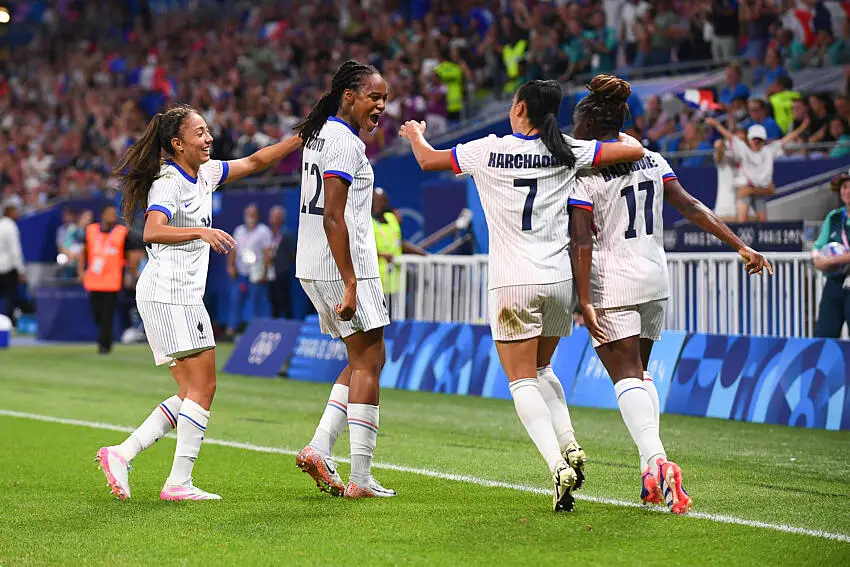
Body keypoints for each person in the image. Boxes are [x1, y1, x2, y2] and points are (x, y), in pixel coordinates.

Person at [399, 78, 646, 512]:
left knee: (521, 380)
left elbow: (426, 160)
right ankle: (569, 443)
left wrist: (415, 133)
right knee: (543, 366)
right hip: (558, 282)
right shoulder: (567, 149)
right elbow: (634, 151)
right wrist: (616, 116)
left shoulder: (487, 149)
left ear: (517, 109)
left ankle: (557, 465)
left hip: (513, 282)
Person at [568, 75, 773, 515]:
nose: (573, 129)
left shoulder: (584, 170)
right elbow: (691, 205)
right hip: (655, 279)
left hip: (612, 280)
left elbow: (582, 241)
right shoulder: (651, 158)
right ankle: (649, 470)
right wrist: (740, 244)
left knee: (625, 376)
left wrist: (582, 297)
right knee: (640, 374)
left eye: (577, 121)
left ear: (590, 125)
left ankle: (658, 460)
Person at [95, 103, 301, 502]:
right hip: (171, 294)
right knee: (204, 386)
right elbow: (153, 231)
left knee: (193, 391)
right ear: (177, 143)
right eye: (200, 133)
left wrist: (301, 137)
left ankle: (123, 453)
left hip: (173, 295)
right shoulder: (168, 181)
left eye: (208, 131)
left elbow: (256, 160)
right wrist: (199, 233)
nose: (209, 138)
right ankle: (178, 482)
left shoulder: (204, 172)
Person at [294, 61, 396, 499]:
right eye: (374, 97)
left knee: (365, 359)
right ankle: (360, 477)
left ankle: (320, 446)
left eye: (385, 100)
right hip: (341, 265)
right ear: (349, 96)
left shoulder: (319, 136)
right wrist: (351, 281)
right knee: (369, 361)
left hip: (316, 263)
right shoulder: (344, 143)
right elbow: (334, 216)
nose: (380, 107)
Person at [706, 117, 810, 222]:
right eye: (754, 139)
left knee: (763, 219)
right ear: (749, 139)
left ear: (764, 140)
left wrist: (802, 127)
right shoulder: (744, 149)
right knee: (742, 218)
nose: (756, 142)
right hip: (747, 187)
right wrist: (717, 125)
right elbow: (730, 137)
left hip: (759, 189)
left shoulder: (768, 150)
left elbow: (786, 140)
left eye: (759, 140)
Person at [79, 203, 129, 354]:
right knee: (96, 314)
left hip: (112, 281)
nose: (112, 217)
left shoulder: (122, 232)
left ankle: (104, 345)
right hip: (93, 280)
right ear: (102, 215)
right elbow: (83, 252)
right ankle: (106, 335)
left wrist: (129, 273)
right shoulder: (90, 230)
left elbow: (129, 254)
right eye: (109, 213)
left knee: (107, 315)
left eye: (114, 214)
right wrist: (81, 270)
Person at [371, 186, 427, 316]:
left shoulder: (391, 218)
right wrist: (380, 254)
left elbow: (399, 243)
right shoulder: (366, 221)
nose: (377, 204)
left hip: (396, 280)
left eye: (381, 200)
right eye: (374, 200)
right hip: (377, 280)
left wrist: (423, 254)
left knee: (399, 317)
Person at [226, 203, 274, 337]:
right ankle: (231, 330)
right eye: (248, 214)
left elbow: (267, 254)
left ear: (257, 216)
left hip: (256, 274)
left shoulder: (263, 231)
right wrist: (230, 266)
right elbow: (233, 251)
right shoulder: (239, 230)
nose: (250, 217)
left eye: (253, 215)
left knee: (256, 304)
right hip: (241, 273)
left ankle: (256, 331)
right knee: (235, 300)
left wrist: (265, 273)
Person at [811, 174, 850, 337]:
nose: (847, 191)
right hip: (834, 283)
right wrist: (817, 260)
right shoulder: (833, 216)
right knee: (824, 336)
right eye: (844, 187)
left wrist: (832, 260)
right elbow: (818, 246)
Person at [713, 124, 747, 221]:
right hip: (725, 208)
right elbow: (719, 154)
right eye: (737, 135)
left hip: (746, 209)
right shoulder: (724, 149)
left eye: (742, 135)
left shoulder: (749, 152)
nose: (740, 137)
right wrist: (719, 145)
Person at [267, 205, 296, 320]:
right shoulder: (267, 233)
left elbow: (291, 254)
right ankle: (274, 324)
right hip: (271, 272)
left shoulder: (286, 234)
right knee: (273, 300)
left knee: (285, 299)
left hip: (282, 272)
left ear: (282, 218)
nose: (273, 219)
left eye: (276, 216)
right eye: (272, 216)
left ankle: (289, 324)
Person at [0, 203, 24, 326]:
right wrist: (21, 270)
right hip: (8, 268)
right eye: (16, 211)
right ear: (10, 213)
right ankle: (8, 324)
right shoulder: (11, 226)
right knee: (10, 297)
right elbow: (15, 250)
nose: (18, 214)